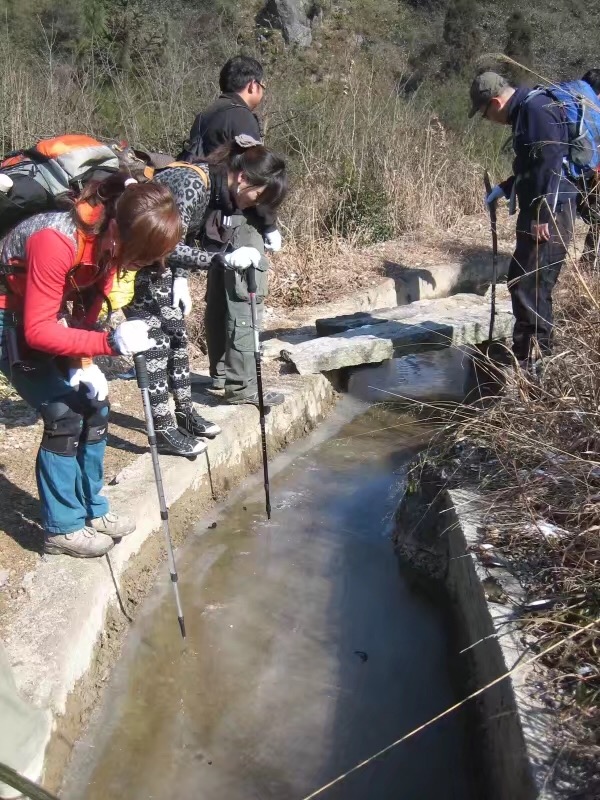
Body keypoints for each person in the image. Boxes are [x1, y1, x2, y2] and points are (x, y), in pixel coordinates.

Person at [0, 175, 182, 557]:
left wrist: (85, 362)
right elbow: (36, 331)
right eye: (138, 258)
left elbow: (87, 310)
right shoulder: (56, 240)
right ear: (118, 229)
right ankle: (62, 529)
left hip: (45, 317)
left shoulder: (108, 246)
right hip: (8, 318)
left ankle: (92, 508)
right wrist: (107, 344)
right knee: (62, 414)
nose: (136, 266)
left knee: (96, 406)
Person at [148, 137, 288, 407]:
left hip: (149, 260)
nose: (253, 205)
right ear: (243, 178)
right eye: (258, 196)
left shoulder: (214, 189)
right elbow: (166, 246)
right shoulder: (195, 183)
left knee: (175, 335)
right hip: (126, 257)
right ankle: (168, 420)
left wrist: (181, 278)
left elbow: (181, 233)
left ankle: (183, 414)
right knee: (164, 339)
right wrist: (221, 259)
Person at [470, 71, 578, 367]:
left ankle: (536, 364)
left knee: (533, 286)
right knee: (523, 282)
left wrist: (543, 215)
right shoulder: (525, 112)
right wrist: (504, 188)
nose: (488, 119)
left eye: (484, 113)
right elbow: (530, 167)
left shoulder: (534, 109)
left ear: (494, 102)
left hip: (549, 214)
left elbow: (551, 161)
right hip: (539, 211)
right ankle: (526, 357)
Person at [181, 54, 282, 254]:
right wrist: (269, 225)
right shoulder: (241, 117)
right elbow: (255, 174)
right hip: (236, 219)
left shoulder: (205, 115)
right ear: (253, 85)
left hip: (208, 218)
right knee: (244, 278)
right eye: (262, 86)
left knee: (218, 274)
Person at [579, 69, 600, 266]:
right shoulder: (589, 111)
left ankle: (587, 262)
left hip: (588, 176)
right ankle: (587, 264)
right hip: (590, 176)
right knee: (596, 221)